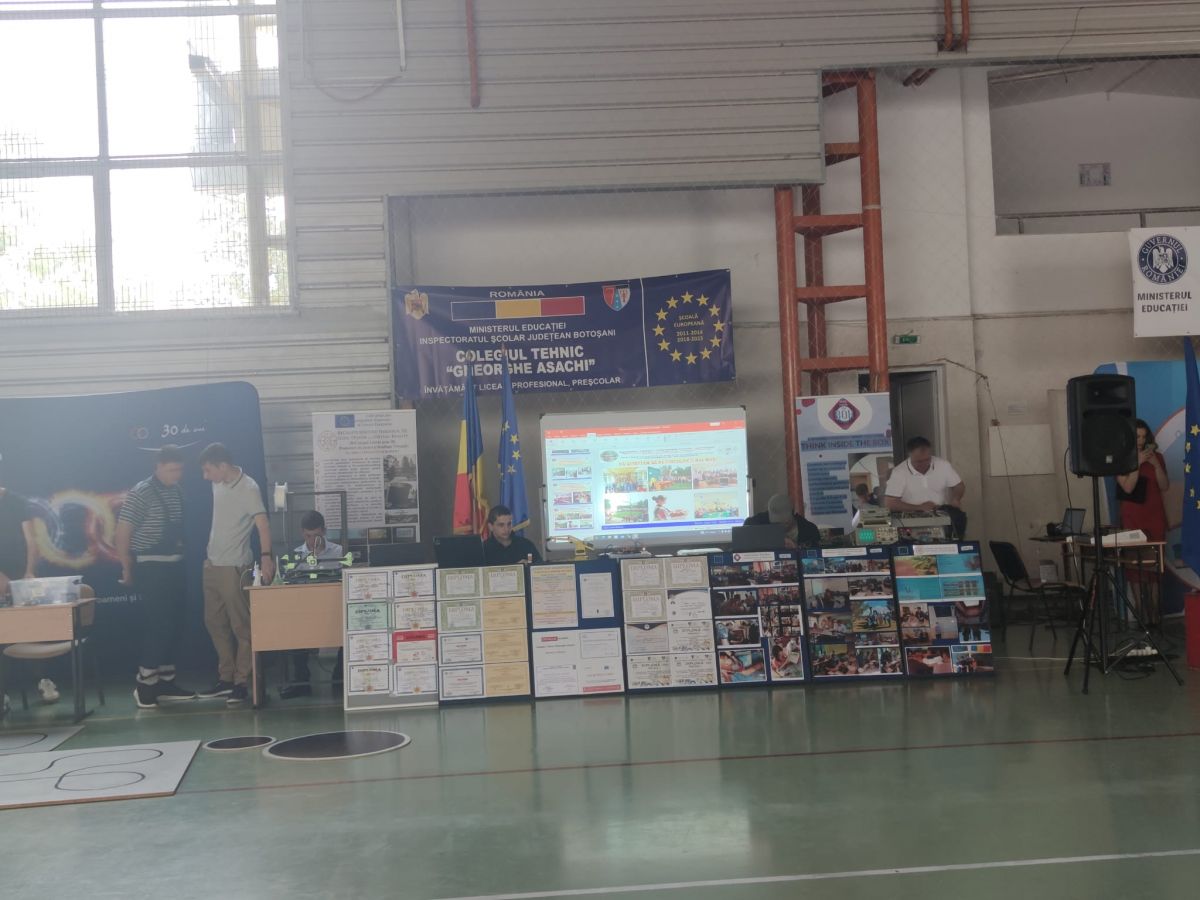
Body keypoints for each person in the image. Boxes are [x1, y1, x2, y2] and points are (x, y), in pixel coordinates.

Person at [115, 445, 197, 708]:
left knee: (176, 625)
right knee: (159, 625)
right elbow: (122, 533)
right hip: (151, 567)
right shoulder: (141, 492)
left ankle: (165, 682)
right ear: (158, 466)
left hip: (176, 566)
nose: (177, 475)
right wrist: (126, 567)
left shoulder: (177, 491)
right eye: (172, 470)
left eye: (180, 470)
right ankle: (145, 684)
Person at [197, 443, 273, 707]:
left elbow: (262, 524)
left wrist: (266, 557)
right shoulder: (217, 483)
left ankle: (242, 682)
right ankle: (226, 677)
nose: (205, 476)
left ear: (223, 466)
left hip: (234, 566)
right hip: (212, 564)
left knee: (241, 625)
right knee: (214, 622)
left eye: (208, 470)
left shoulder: (248, 488)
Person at [0, 473, 59, 707]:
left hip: (20, 574)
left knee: (31, 630)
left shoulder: (16, 501)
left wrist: (29, 573)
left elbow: (31, 540)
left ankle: (44, 680)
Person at [283, 510, 344, 698]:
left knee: (347, 629)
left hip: (334, 608)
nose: (312, 541)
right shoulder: (296, 555)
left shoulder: (339, 551)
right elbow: (288, 582)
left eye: (316, 536)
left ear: (324, 531)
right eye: (308, 536)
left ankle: (340, 676)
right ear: (303, 533)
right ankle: (301, 681)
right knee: (293, 630)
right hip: (306, 610)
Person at [1116, 419, 1168, 624]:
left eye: (1144, 436)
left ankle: (1155, 616)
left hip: (1154, 516)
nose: (1141, 440)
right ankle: (1141, 615)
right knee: (1135, 568)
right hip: (1133, 518)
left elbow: (1164, 486)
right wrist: (1137, 463)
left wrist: (1155, 465)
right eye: (1137, 436)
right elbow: (1128, 487)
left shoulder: (1157, 458)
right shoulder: (1122, 459)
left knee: (1154, 568)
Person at [884, 436, 967, 538]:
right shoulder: (899, 472)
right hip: (910, 522)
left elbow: (959, 485)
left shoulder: (943, 465)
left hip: (941, 518)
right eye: (919, 461)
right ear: (910, 455)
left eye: (927, 459)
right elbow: (890, 503)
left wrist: (956, 499)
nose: (924, 464)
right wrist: (919, 508)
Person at [743, 494, 821, 549]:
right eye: (776, 523)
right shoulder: (757, 522)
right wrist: (775, 540)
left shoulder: (809, 530)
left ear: (793, 513)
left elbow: (814, 555)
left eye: (785, 522)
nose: (781, 525)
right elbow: (745, 535)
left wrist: (797, 549)